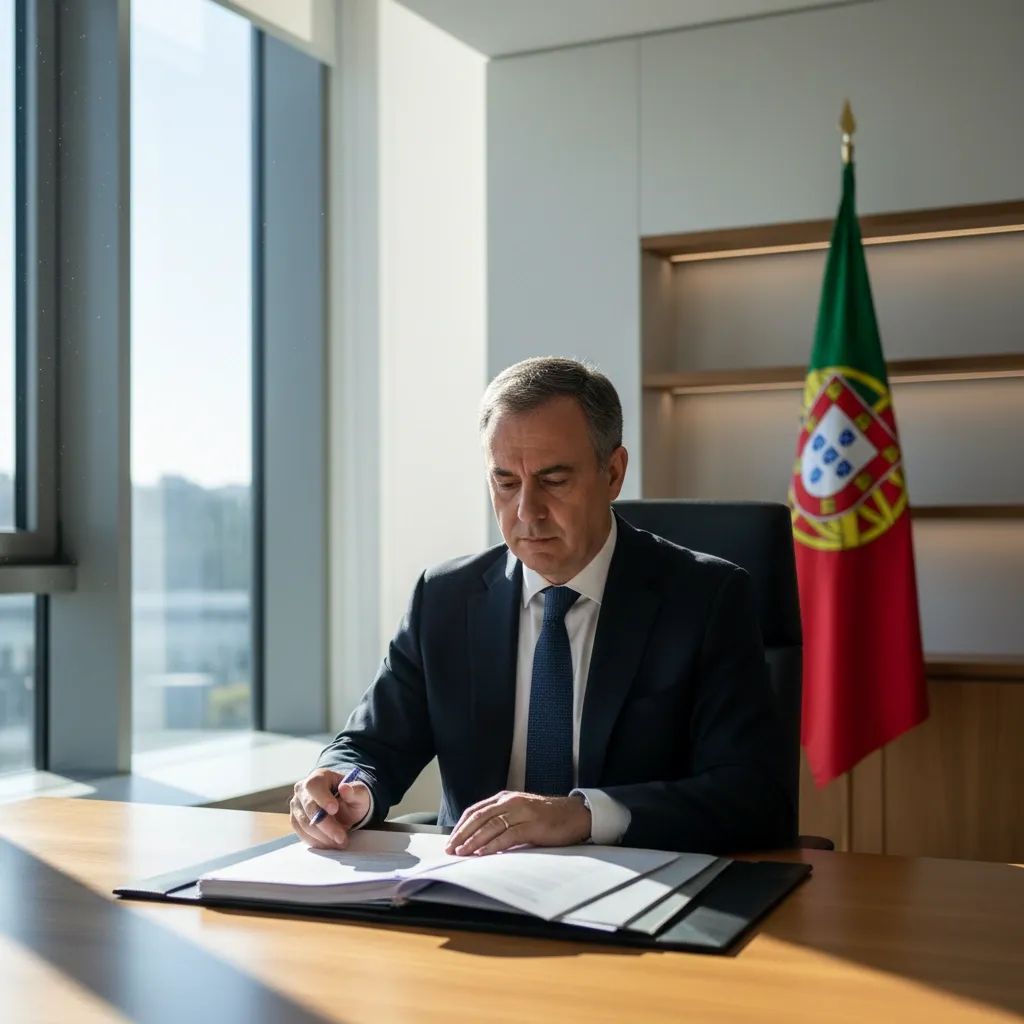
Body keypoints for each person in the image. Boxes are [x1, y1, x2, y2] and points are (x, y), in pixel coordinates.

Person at [290, 357, 795, 855]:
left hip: (638, 888)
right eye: (506, 483)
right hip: (471, 889)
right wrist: (346, 784)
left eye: (554, 481)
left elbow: (751, 796)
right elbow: (371, 746)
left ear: (614, 472)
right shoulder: (444, 598)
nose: (526, 512)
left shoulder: (706, 599)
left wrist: (583, 814)